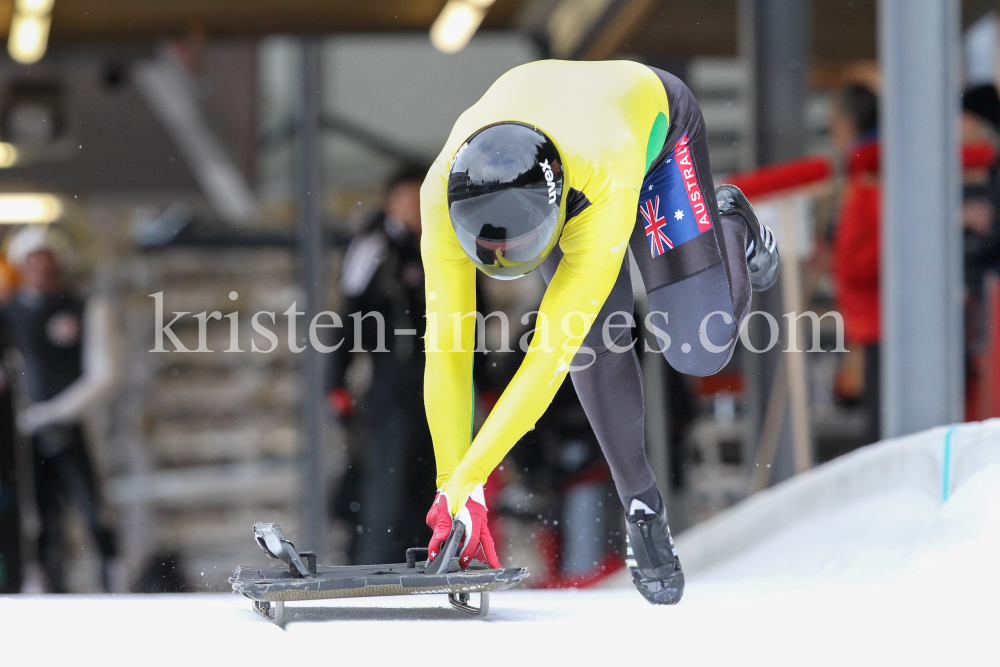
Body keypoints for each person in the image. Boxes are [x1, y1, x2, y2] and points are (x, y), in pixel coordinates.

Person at [419, 61, 779, 605]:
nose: (511, 266)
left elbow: (546, 361)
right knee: (595, 344)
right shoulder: (438, 195)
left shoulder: (602, 180)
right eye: (496, 258)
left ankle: (727, 220)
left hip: (645, 138)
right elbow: (446, 354)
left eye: (522, 252)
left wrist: (470, 478)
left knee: (697, 349)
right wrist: (454, 485)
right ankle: (642, 506)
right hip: (563, 143)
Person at [0, 226, 120, 592]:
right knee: (38, 515)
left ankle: (109, 578)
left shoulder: (84, 308)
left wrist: (57, 411)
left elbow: (105, 373)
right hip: (22, 433)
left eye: (46, 257)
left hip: (74, 424)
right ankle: (48, 582)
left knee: (91, 506)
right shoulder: (8, 314)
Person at [328, 166, 437, 565]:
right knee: (386, 487)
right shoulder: (372, 247)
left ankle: (427, 565)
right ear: (391, 203)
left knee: (431, 487)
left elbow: (474, 318)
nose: (414, 209)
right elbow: (348, 318)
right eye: (407, 199)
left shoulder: (443, 247)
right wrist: (335, 383)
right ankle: (377, 569)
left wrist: (486, 380)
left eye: (420, 200)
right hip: (390, 388)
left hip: (438, 390)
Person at [830, 84, 881, 445]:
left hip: (876, 322)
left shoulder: (869, 173)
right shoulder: (863, 173)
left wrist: (842, 264)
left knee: (880, 429)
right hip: (868, 320)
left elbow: (877, 254)